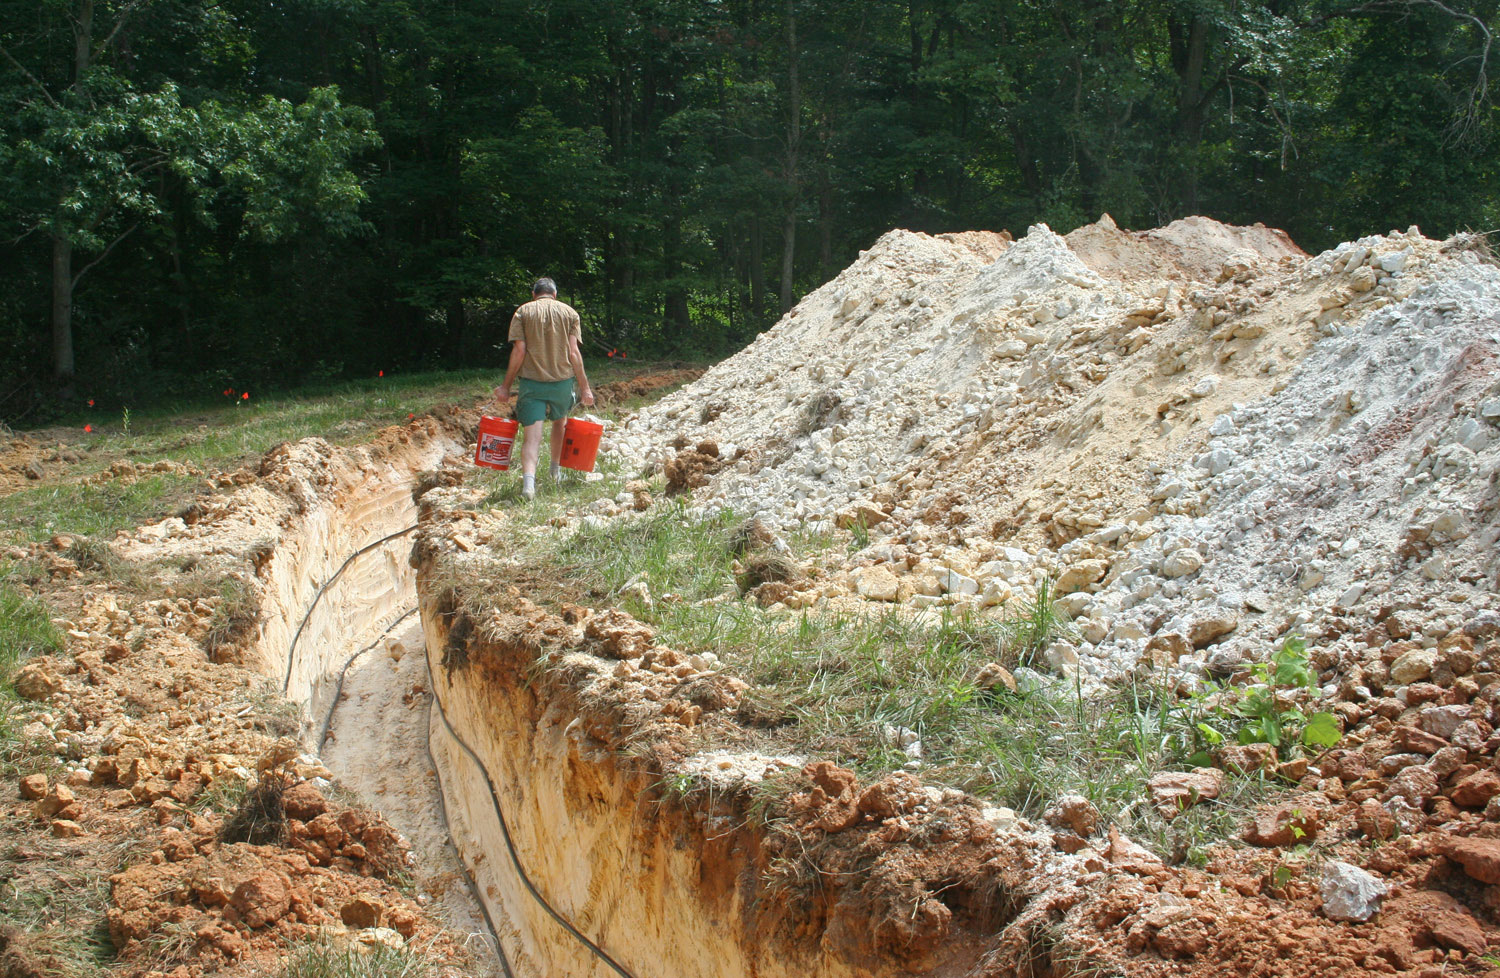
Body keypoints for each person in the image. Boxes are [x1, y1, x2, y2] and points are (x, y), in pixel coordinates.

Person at [494, 278, 595, 499]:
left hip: (532, 383)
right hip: (561, 382)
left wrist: (505, 386)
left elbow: (519, 352)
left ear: (534, 294)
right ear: (555, 294)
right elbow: (574, 353)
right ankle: (554, 473)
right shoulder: (570, 314)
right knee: (560, 423)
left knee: (532, 436)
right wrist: (585, 388)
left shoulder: (523, 312)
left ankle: (528, 485)